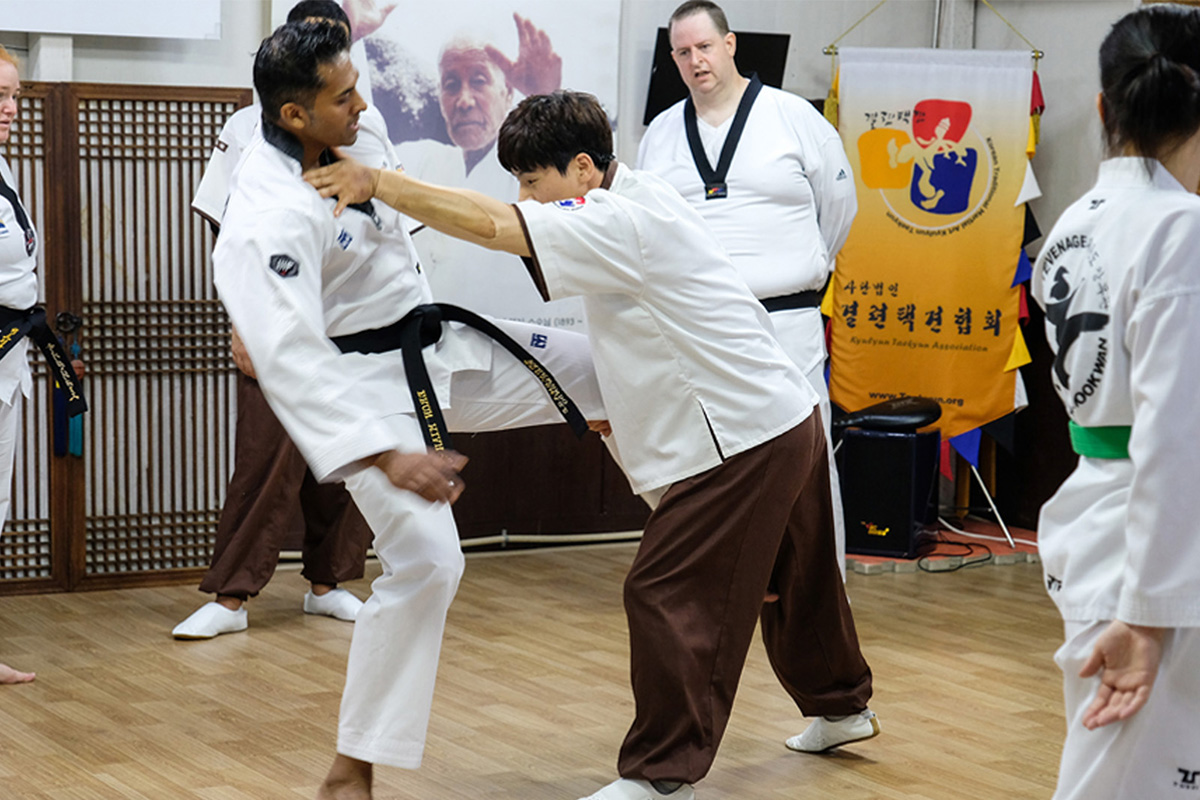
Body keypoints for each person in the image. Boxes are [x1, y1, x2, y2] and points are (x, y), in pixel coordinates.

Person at [306, 89, 876, 800]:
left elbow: (491, 227)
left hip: (743, 437)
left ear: (581, 169)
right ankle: (842, 705)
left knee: (666, 589)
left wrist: (379, 182)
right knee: (800, 575)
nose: (523, 197)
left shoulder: (616, 217)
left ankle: (662, 776)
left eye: (531, 182)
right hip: (785, 414)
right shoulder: (641, 196)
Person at [214, 21, 606, 799]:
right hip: (367, 393)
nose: (362, 104)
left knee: (609, 373)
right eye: (343, 96)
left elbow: (400, 190)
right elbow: (283, 354)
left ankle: (706, 521)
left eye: (357, 86)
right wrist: (386, 455)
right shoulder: (268, 211)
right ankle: (349, 769)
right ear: (295, 116)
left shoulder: (350, 124)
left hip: (435, 345)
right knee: (431, 561)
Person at [174, 0, 393, 641]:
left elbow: (393, 216)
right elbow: (225, 228)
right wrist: (244, 323)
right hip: (278, 316)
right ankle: (233, 596)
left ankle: (330, 583)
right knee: (265, 458)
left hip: (356, 323)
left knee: (348, 459)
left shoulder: (366, 126)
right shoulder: (252, 128)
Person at [1030, 6, 1200, 799]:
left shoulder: (1074, 223)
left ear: (1103, 107)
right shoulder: (1179, 227)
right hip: (1147, 547)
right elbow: (1174, 433)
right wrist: (1151, 612)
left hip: (1100, 515)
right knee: (1127, 781)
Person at [637, 1, 856, 577]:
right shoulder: (660, 135)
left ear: (730, 45)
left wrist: (798, 271)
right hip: (701, 329)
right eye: (682, 53)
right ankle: (726, 584)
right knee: (707, 459)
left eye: (704, 47)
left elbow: (838, 210)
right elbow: (648, 227)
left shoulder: (794, 117)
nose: (695, 61)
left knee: (807, 458)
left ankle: (821, 590)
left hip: (787, 321)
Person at [385, 15, 585, 328]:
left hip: (523, 342)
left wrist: (544, 94)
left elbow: (576, 188)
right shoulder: (423, 159)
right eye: (451, 85)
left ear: (508, 92)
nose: (464, 101)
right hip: (439, 341)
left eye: (479, 80)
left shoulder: (534, 167)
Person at [0, 45, 86, 687]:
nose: (8, 109)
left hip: (11, 354)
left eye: (13, 96)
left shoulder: (3, 168)